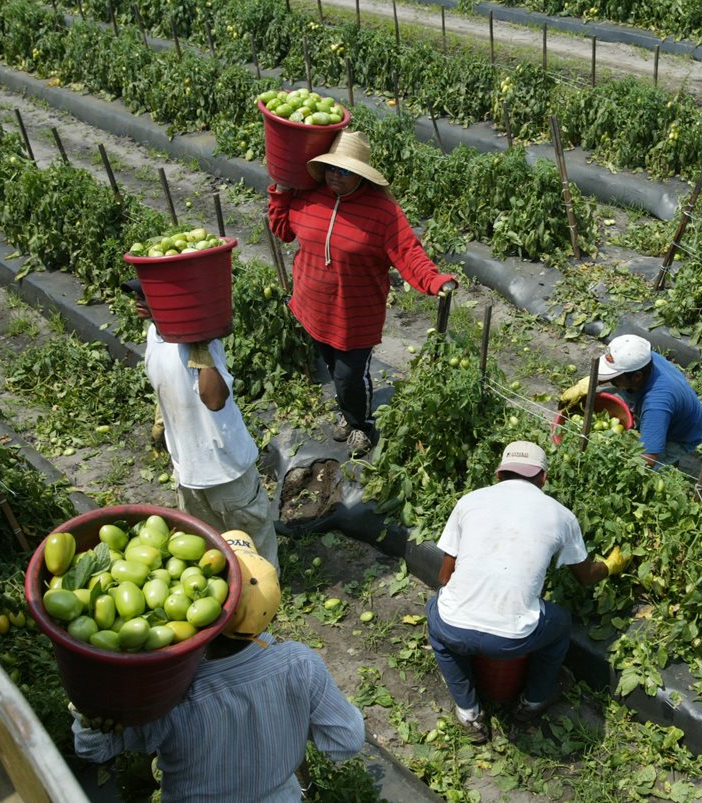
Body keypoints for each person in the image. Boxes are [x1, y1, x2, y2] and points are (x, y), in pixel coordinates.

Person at [72, 532, 365, 802]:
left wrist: (93, 713)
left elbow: (93, 750)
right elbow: (346, 741)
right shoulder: (300, 665)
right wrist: (295, 719)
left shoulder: (171, 691)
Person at [266, 130, 458, 457]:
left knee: (349, 377)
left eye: (344, 171)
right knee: (331, 367)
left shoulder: (382, 212)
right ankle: (348, 412)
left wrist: (433, 280)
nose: (335, 176)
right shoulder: (310, 197)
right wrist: (281, 192)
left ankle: (361, 425)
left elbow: (408, 252)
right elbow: (282, 230)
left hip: (355, 316)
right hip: (313, 308)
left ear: (359, 175)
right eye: (331, 168)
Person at [425, 441, 630, 744]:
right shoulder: (561, 515)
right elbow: (586, 577)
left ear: (499, 475)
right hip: (511, 638)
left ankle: (468, 712)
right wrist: (612, 565)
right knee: (559, 623)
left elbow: (445, 576)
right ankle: (533, 701)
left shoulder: (470, 500)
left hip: (454, 623)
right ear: (543, 478)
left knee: (437, 623)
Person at [123, 279, 278, 568]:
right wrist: (162, 421)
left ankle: (267, 602)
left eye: (147, 296)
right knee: (212, 548)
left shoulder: (199, 344)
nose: (138, 302)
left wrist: (201, 348)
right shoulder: (154, 334)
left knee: (254, 550)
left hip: (226, 469)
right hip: (188, 471)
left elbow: (215, 399)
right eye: (139, 295)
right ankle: (234, 603)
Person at [561, 334, 702, 468]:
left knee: (645, 469)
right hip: (668, 403)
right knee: (604, 397)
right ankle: (654, 434)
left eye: (615, 376)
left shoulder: (656, 405)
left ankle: (667, 456)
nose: (610, 380)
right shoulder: (640, 358)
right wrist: (587, 384)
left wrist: (615, 465)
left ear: (636, 377)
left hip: (681, 436)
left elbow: (648, 459)